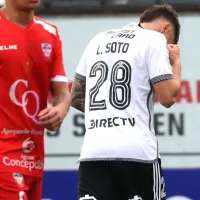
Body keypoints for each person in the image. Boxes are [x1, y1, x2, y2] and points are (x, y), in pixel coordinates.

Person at [71, 4, 181, 200]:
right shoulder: (155, 39)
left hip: (93, 152)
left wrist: (109, 115)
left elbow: (76, 97)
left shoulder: (98, 39)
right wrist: (176, 63)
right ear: (165, 28)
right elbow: (168, 98)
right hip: (137, 153)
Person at [0, 0, 71, 199]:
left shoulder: (50, 32)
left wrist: (61, 109)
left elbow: (61, 92)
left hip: (34, 158)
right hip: (3, 156)